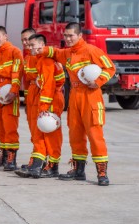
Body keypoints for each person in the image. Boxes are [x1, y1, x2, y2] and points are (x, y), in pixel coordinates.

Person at [42, 22, 115, 186]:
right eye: (65, 36)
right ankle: (78, 170)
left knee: (95, 135)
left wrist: (98, 82)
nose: (67, 39)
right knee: (75, 134)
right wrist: (41, 49)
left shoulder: (91, 50)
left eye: (71, 36)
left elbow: (110, 67)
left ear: (79, 35)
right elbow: (55, 53)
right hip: (74, 95)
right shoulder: (67, 53)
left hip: (91, 95)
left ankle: (101, 173)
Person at [15, 34, 65, 178]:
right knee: (40, 134)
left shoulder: (46, 61)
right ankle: (37, 165)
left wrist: (43, 106)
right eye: (28, 45)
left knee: (51, 135)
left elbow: (48, 85)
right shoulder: (39, 60)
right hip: (44, 98)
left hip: (51, 100)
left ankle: (51, 166)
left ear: (42, 45)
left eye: (32, 45)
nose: (29, 47)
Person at [0, 26, 24, 171]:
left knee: (10, 125)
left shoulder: (14, 51)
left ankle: (11, 158)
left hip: (8, 90)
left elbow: (17, 73)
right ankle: (3, 153)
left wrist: (14, 91)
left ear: (5, 36)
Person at [21, 28, 37, 169]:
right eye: (23, 40)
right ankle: (36, 159)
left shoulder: (41, 57)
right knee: (33, 131)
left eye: (28, 39)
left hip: (41, 97)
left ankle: (43, 162)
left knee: (41, 131)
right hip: (31, 96)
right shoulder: (27, 58)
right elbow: (26, 82)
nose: (26, 43)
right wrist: (26, 101)